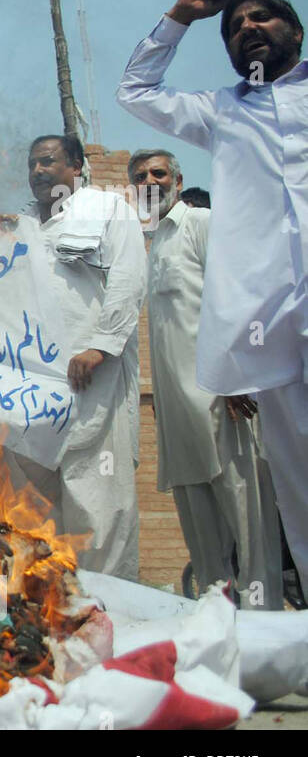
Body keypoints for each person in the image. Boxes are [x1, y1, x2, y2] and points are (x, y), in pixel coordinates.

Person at [117, 0, 308, 588]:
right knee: (298, 478)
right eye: (235, 26)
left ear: (296, 33)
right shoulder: (221, 112)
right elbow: (137, 89)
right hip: (272, 326)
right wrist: (180, 16)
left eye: (262, 19)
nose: (247, 27)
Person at [131, 148, 281, 606]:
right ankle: (217, 626)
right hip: (179, 418)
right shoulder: (156, 244)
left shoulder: (200, 224)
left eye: (159, 173)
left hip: (220, 403)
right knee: (201, 531)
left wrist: (236, 377)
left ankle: (266, 629)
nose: (150, 181)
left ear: (177, 181)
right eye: (140, 176)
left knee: (249, 525)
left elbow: (236, 296)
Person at [5, 134, 146, 579]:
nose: (37, 171)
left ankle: (112, 607)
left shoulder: (107, 210)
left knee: (96, 496)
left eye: (48, 161)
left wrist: (100, 347)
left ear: (77, 167)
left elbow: (128, 277)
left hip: (91, 377)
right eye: (31, 164)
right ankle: (51, 610)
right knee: (31, 505)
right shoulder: (16, 226)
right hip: (30, 387)